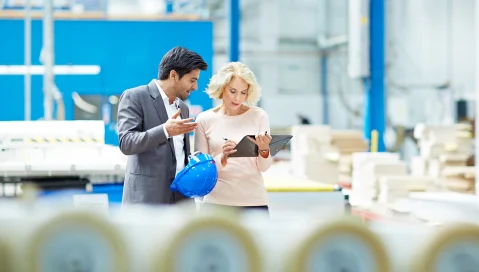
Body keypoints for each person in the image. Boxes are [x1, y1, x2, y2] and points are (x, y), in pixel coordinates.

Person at [117, 46, 208, 205]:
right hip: (147, 201)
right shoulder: (135, 97)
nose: (195, 87)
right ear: (173, 75)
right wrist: (165, 130)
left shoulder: (183, 108)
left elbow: (178, 155)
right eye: (192, 80)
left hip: (181, 201)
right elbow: (127, 142)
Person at [194, 62, 273, 212]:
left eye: (243, 92)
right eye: (233, 91)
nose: (238, 98)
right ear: (222, 87)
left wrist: (264, 150)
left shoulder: (259, 116)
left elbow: (264, 167)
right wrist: (222, 158)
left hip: (254, 203)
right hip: (215, 203)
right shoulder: (204, 119)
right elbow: (201, 171)